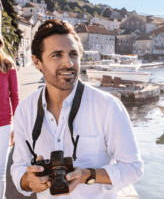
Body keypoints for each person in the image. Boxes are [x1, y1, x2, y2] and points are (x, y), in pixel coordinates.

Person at [11, 19, 143, 198]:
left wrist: (89, 175)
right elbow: (18, 166)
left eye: (73, 54)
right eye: (57, 55)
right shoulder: (25, 111)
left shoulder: (108, 107)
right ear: (37, 62)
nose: (69, 63)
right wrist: (28, 181)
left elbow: (133, 168)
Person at [0, 33, 19, 199]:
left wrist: (16, 127)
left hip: (4, 124)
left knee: (0, 172)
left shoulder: (8, 65)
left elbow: (15, 97)